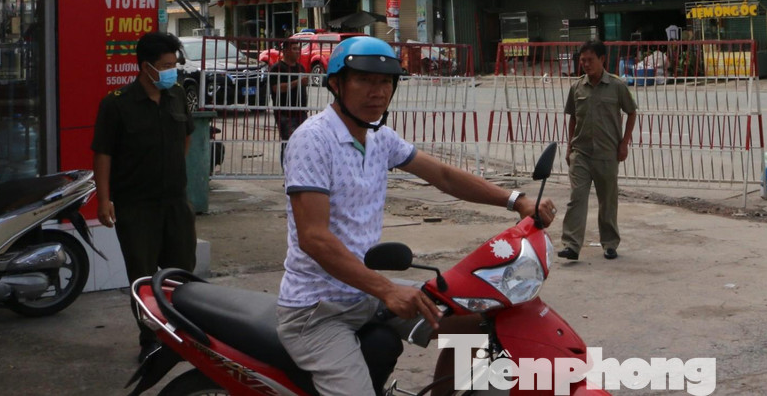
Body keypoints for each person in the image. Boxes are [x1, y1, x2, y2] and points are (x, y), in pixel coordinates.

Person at [277, 36, 555, 396]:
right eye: (364, 80)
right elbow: (314, 238)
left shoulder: (379, 138)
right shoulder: (313, 140)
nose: (377, 92)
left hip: (363, 293)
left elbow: (442, 175)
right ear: (336, 83)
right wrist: (388, 289)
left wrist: (515, 200)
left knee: (472, 324)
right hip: (316, 310)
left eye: (385, 82)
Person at [92, 31, 197, 363]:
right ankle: (150, 338)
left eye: (174, 65)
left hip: (175, 203)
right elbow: (103, 155)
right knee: (143, 277)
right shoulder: (117, 103)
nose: (172, 71)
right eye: (166, 65)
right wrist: (105, 199)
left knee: (182, 273)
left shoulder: (177, 95)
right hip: (136, 206)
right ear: (146, 67)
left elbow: (186, 138)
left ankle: (180, 333)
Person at [557, 41, 637, 262]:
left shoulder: (617, 86)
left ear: (602, 60)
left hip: (607, 153)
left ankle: (610, 243)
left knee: (607, 200)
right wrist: (569, 147)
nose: (585, 64)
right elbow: (573, 117)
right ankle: (571, 245)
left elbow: (631, 112)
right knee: (577, 198)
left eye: (590, 60)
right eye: (582, 60)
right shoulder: (576, 87)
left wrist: (624, 143)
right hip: (581, 153)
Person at [269, 39, 310, 146]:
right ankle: (286, 162)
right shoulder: (277, 68)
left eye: (298, 49)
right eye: (294, 49)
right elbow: (276, 88)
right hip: (285, 113)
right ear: (286, 51)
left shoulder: (300, 68)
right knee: (289, 143)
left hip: (301, 112)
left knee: (303, 143)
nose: (298, 51)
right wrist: (297, 82)